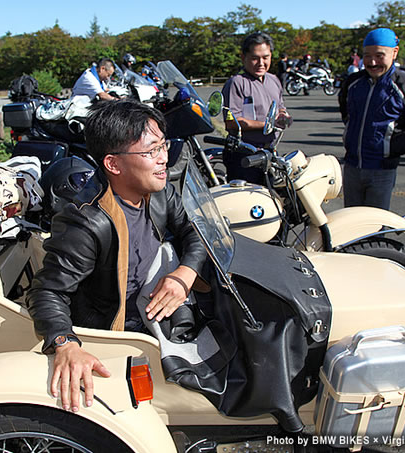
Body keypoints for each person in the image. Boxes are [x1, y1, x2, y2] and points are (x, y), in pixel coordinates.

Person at [26, 99, 207, 413]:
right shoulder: (85, 222)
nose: (164, 159)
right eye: (151, 152)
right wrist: (64, 343)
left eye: (163, 146)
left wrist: (184, 274)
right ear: (113, 164)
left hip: (159, 304)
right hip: (121, 331)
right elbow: (46, 291)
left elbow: (196, 231)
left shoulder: (159, 189)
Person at [338, 28, 405, 210]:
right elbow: (346, 113)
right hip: (351, 167)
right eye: (367, 56)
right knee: (350, 224)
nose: (372, 62)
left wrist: (394, 150)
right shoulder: (353, 83)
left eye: (380, 55)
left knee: (374, 227)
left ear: (394, 52)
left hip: (382, 171)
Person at [221, 31, 290, 184]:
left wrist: (283, 115)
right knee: (247, 203)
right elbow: (232, 122)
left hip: (269, 152)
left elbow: (280, 107)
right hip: (243, 155)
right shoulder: (236, 83)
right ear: (243, 57)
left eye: (265, 58)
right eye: (254, 58)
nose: (261, 63)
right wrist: (267, 125)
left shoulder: (274, 80)